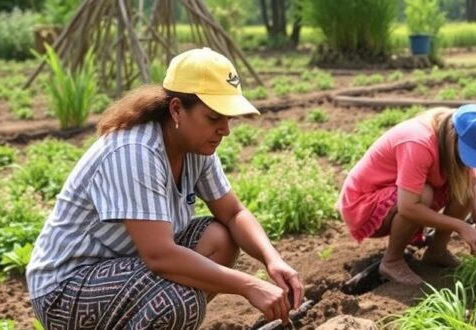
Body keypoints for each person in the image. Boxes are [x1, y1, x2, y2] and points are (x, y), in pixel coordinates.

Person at [26, 48, 303, 329]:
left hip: (124, 269)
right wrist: (249, 285)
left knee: (220, 238)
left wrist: (273, 260)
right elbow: (159, 256)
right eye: (213, 118)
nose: (225, 130)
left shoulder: (196, 147)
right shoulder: (135, 151)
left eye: (228, 119)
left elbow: (232, 213)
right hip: (66, 288)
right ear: (176, 109)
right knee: (177, 301)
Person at [336, 105, 476, 285]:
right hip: (363, 204)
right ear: (454, 137)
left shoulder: (451, 128)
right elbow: (408, 206)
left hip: (400, 195)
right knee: (422, 195)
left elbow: (473, 183)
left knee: (464, 187)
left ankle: (437, 251)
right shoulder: (418, 142)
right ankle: (392, 261)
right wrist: (462, 226)